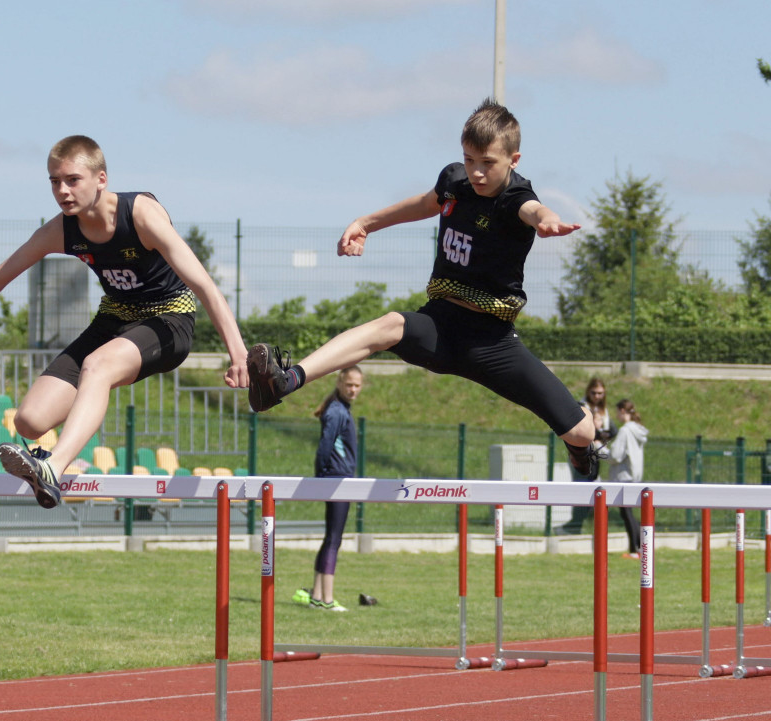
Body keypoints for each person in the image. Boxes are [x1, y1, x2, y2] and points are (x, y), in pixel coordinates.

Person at [247, 99, 599, 480]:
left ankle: (582, 454)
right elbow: (423, 204)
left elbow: (535, 210)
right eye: (469, 160)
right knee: (387, 325)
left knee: (583, 431)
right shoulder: (454, 182)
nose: (477, 172)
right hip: (441, 326)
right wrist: (366, 222)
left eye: (488, 163)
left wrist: (548, 222)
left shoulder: (515, 197)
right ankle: (284, 381)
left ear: (514, 160)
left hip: (493, 344)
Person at [0, 135, 249, 507]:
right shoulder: (61, 230)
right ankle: (61, 456)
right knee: (29, 421)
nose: (62, 191)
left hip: (168, 318)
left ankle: (54, 468)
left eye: (72, 180)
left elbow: (204, 285)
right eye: (53, 181)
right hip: (114, 320)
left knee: (98, 366)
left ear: (101, 179)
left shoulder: (141, 215)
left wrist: (237, 353)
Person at [292, 366, 363, 612]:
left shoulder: (340, 409)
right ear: (340, 382)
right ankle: (328, 600)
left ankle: (318, 596)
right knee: (334, 538)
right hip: (336, 480)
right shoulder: (336, 411)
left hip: (337, 478)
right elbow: (325, 446)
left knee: (331, 538)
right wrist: (320, 477)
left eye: (357, 386)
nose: (353, 389)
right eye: (349, 385)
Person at [558, 377, 617, 534]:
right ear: (588, 391)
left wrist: (602, 434)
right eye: (594, 393)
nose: (597, 396)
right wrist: (596, 430)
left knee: (592, 491)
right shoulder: (582, 406)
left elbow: (612, 431)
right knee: (581, 489)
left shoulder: (604, 411)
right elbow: (581, 431)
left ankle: (579, 525)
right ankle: (574, 526)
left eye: (600, 393)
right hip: (581, 454)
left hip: (596, 453)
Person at [607, 398, 648, 558]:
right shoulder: (638, 429)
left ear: (622, 411)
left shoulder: (625, 431)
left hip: (623, 477)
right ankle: (639, 547)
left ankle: (635, 549)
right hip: (634, 476)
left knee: (627, 514)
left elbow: (616, 456)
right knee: (628, 513)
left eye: (617, 412)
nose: (616, 415)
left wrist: (599, 451)